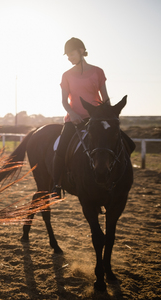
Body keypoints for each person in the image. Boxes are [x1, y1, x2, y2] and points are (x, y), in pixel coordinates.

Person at [52, 37, 134, 198]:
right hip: (74, 120)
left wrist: (109, 116)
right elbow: (64, 101)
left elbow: (106, 99)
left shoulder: (98, 72)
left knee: (129, 144)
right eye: (67, 55)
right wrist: (73, 114)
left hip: (97, 120)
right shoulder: (66, 75)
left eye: (71, 53)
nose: (69, 57)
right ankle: (56, 185)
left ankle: (120, 178)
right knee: (61, 149)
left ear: (81, 51)